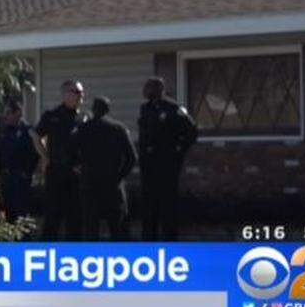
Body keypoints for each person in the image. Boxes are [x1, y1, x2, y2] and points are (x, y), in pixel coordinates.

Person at [138, 77, 199, 241]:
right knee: (149, 206)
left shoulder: (174, 108)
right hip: (149, 166)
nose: (145, 92)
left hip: (167, 166)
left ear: (158, 89)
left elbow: (192, 131)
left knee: (167, 206)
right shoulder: (145, 108)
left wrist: (178, 151)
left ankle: (170, 241)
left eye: (149, 88)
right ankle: (148, 242)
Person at [71, 96, 136, 241]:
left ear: (93, 110)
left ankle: (92, 258)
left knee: (90, 227)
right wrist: (119, 176)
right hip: (112, 183)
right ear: (108, 110)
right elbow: (132, 158)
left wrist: (79, 168)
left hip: (90, 183)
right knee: (117, 227)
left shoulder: (82, 129)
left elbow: (69, 152)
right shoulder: (119, 129)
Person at [35, 80, 87, 240]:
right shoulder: (52, 116)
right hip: (56, 172)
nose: (80, 96)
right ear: (65, 94)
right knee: (52, 217)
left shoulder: (84, 118)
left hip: (75, 174)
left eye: (81, 92)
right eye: (76, 92)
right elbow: (36, 136)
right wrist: (46, 157)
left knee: (75, 218)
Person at [0, 99, 40, 222]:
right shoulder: (5, 131)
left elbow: (36, 154)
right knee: (9, 217)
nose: (6, 116)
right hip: (7, 180)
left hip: (21, 179)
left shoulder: (28, 131)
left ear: (18, 113)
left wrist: (27, 172)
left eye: (9, 113)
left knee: (21, 217)